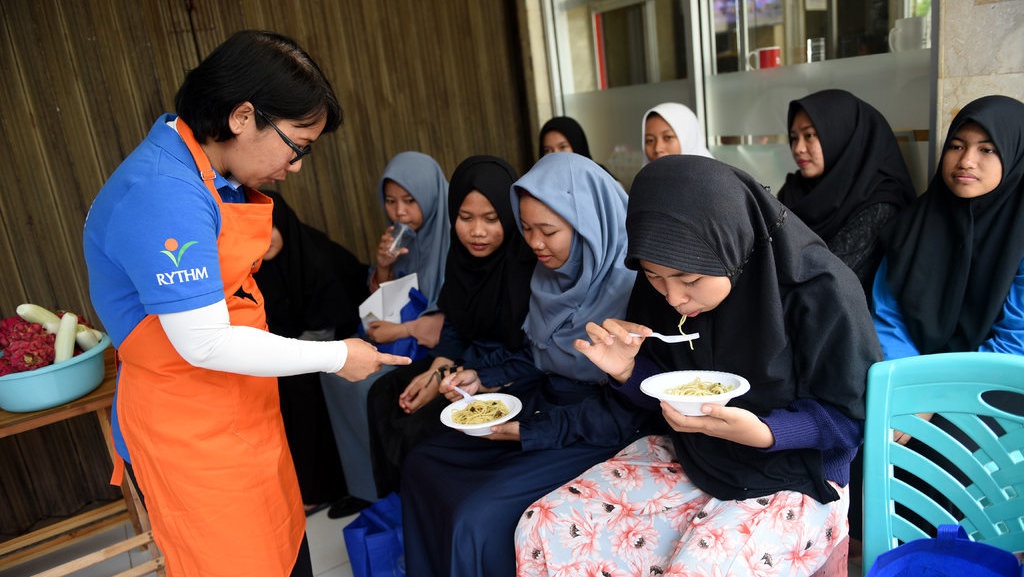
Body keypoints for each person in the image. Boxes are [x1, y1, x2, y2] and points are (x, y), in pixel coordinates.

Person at [81, 30, 410, 577]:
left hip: (242, 411)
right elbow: (206, 341)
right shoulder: (165, 192)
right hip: (193, 435)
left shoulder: (208, 172)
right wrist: (337, 357)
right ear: (241, 117)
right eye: (297, 145)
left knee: (285, 552)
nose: (298, 164)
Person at [515, 155, 882, 576]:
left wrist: (766, 432)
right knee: (545, 524)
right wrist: (628, 371)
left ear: (730, 243)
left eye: (689, 280)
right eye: (654, 277)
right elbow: (668, 394)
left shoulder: (819, 290)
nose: (673, 298)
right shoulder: (662, 280)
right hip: (697, 456)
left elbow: (851, 420)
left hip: (799, 474)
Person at [401, 152, 657, 577]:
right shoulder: (549, 276)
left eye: (548, 231)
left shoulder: (637, 291)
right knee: (424, 462)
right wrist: (484, 377)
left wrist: (531, 431)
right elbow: (539, 355)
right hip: (546, 405)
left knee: (477, 517)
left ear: (590, 226)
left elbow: (631, 407)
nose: (534, 243)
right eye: (527, 229)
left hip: (600, 428)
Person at [366, 155, 535, 497]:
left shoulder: (526, 265)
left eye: (491, 219)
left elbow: (531, 352)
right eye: (465, 217)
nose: (476, 232)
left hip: (511, 372)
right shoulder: (461, 260)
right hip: (465, 362)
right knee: (382, 396)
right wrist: (437, 371)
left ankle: (420, 504)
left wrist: (450, 376)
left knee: (419, 429)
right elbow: (455, 326)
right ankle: (396, 505)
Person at [321, 150, 450, 507]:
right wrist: (383, 268)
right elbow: (382, 301)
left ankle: (378, 489)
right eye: (390, 201)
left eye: (410, 200)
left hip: (436, 347)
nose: (399, 212)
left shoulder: (454, 238)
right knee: (335, 376)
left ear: (431, 196)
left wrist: (399, 332)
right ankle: (360, 483)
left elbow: (451, 319)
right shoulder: (404, 239)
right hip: (402, 337)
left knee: (368, 389)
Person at [254, 190, 368, 512]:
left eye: (270, 228)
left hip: (343, 335)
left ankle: (322, 486)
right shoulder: (260, 265)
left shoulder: (313, 257)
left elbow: (327, 325)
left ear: (284, 224)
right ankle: (300, 480)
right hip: (297, 345)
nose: (265, 240)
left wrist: (283, 357)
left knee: (297, 387)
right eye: (256, 232)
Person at [778, 89, 916, 295]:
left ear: (842, 134)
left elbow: (826, 277)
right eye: (793, 137)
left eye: (809, 135)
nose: (798, 148)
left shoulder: (879, 203)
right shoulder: (794, 190)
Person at [642, 101, 712, 162]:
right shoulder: (645, 177)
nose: (657, 149)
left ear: (689, 139)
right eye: (650, 140)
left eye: (668, 137)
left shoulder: (712, 176)